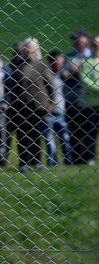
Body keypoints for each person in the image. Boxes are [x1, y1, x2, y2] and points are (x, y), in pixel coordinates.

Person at [7, 38, 55, 173]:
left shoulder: (41, 65)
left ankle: (37, 161)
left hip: (38, 105)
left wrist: (51, 103)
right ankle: (23, 162)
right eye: (26, 49)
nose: (28, 51)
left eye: (30, 49)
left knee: (36, 134)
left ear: (35, 50)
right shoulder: (17, 65)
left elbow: (51, 85)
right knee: (22, 135)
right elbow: (12, 86)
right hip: (20, 106)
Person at [63, 31, 92, 164]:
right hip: (72, 98)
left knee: (89, 128)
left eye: (79, 40)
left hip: (89, 98)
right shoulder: (69, 57)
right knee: (74, 129)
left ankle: (89, 156)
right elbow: (62, 75)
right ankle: (76, 157)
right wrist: (70, 73)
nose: (76, 42)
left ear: (86, 41)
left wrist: (81, 71)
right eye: (74, 40)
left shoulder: (93, 56)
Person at [45, 51, 73, 166]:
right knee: (50, 141)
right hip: (48, 113)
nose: (60, 64)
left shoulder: (62, 74)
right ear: (51, 62)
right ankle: (52, 163)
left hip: (61, 112)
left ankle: (69, 161)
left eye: (61, 62)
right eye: (58, 62)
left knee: (65, 138)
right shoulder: (45, 75)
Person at [78, 36, 99, 166]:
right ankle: (90, 157)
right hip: (92, 104)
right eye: (96, 46)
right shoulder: (86, 63)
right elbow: (86, 82)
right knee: (91, 132)